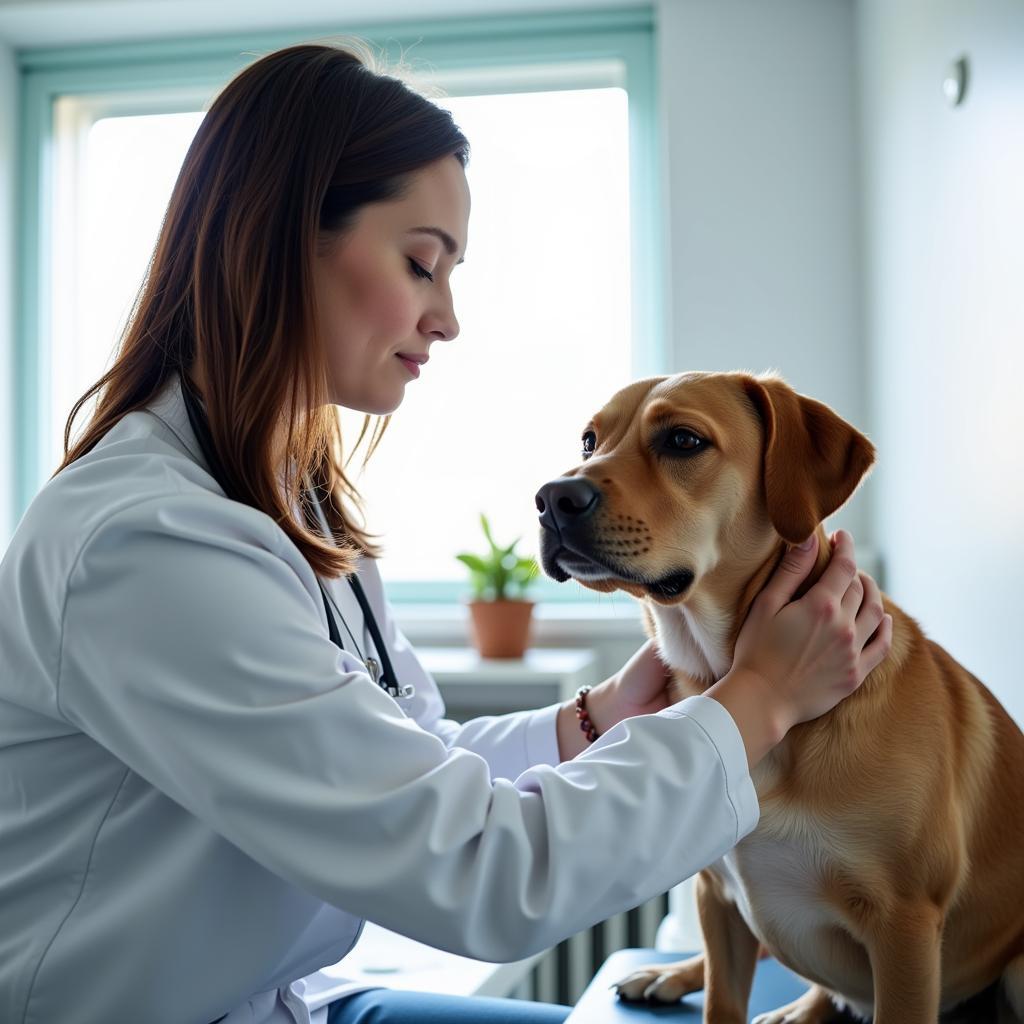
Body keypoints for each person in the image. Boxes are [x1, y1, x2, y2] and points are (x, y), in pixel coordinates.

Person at [0, 42, 892, 1024]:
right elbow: (479, 874)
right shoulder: (151, 547)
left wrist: (595, 720)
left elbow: (404, 757)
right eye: (421, 262)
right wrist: (762, 696)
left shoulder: (292, 503)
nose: (447, 317)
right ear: (280, 238)